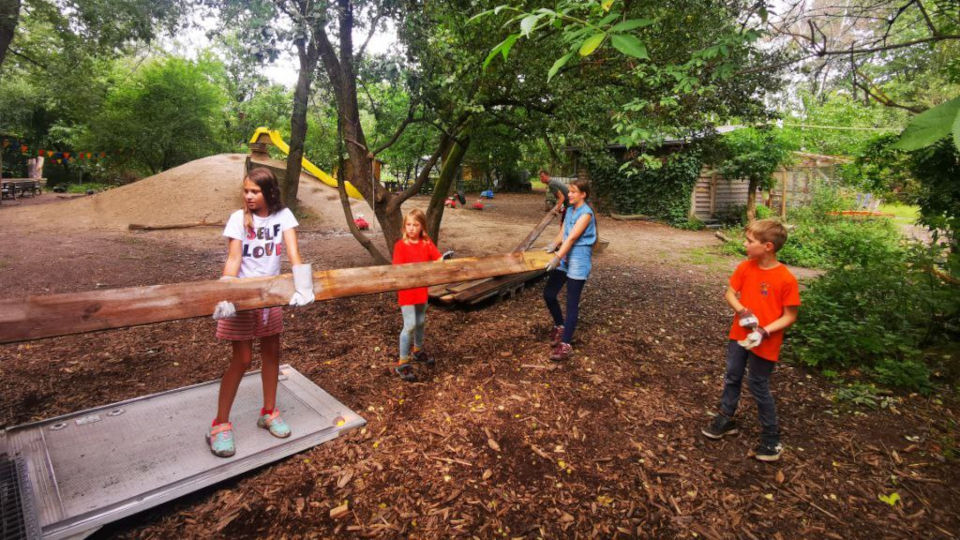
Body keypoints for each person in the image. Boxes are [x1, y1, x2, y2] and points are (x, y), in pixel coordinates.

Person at [207, 167, 315, 458]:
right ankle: (220, 423)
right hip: (242, 298)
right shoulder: (237, 219)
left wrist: (302, 285)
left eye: (254, 191)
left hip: (271, 295)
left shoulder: (284, 216)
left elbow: (292, 253)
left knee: (272, 355)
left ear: (268, 192)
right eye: (246, 191)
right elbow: (234, 258)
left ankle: (269, 411)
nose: (249, 196)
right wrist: (226, 292)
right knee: (242, 359)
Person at [701, 219, 800, 462]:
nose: (745, 244)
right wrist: (743, 312)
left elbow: (790, 316)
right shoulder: (746, 267)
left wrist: (764, 332)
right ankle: (726, 418)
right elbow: (730, 293)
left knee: (758, 384)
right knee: (732, 375)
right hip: (739, 336)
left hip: (765, 341)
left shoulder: (786, 279)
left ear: (768, 246)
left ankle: (771, 438)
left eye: (749, 241)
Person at [542, 179, 597, 362]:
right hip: (566, 256)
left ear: (583, 194)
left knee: (571, 303)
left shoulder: (586, 214)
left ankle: (565, 345)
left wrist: (557, 258)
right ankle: (560, 326)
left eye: (574, 192)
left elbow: (572, 238)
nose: (570, 194)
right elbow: (564, 232)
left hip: (578, 259)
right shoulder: (571, 210)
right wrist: (553, 245)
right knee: (549, 294)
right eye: (570, 191)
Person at [392, 208, 443, 382]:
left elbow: (438, 259)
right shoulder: (400, 246)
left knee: (421, 321)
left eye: (416, 225)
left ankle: (417, 350)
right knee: (410, 324)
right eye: (408, 225)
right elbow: (398, 270)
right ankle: (402, 362)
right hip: (407, 292)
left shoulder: (427, 243)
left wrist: (442, 262)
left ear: (422, 227)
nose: (412, 228)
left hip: (421, 291)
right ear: (404, 226)